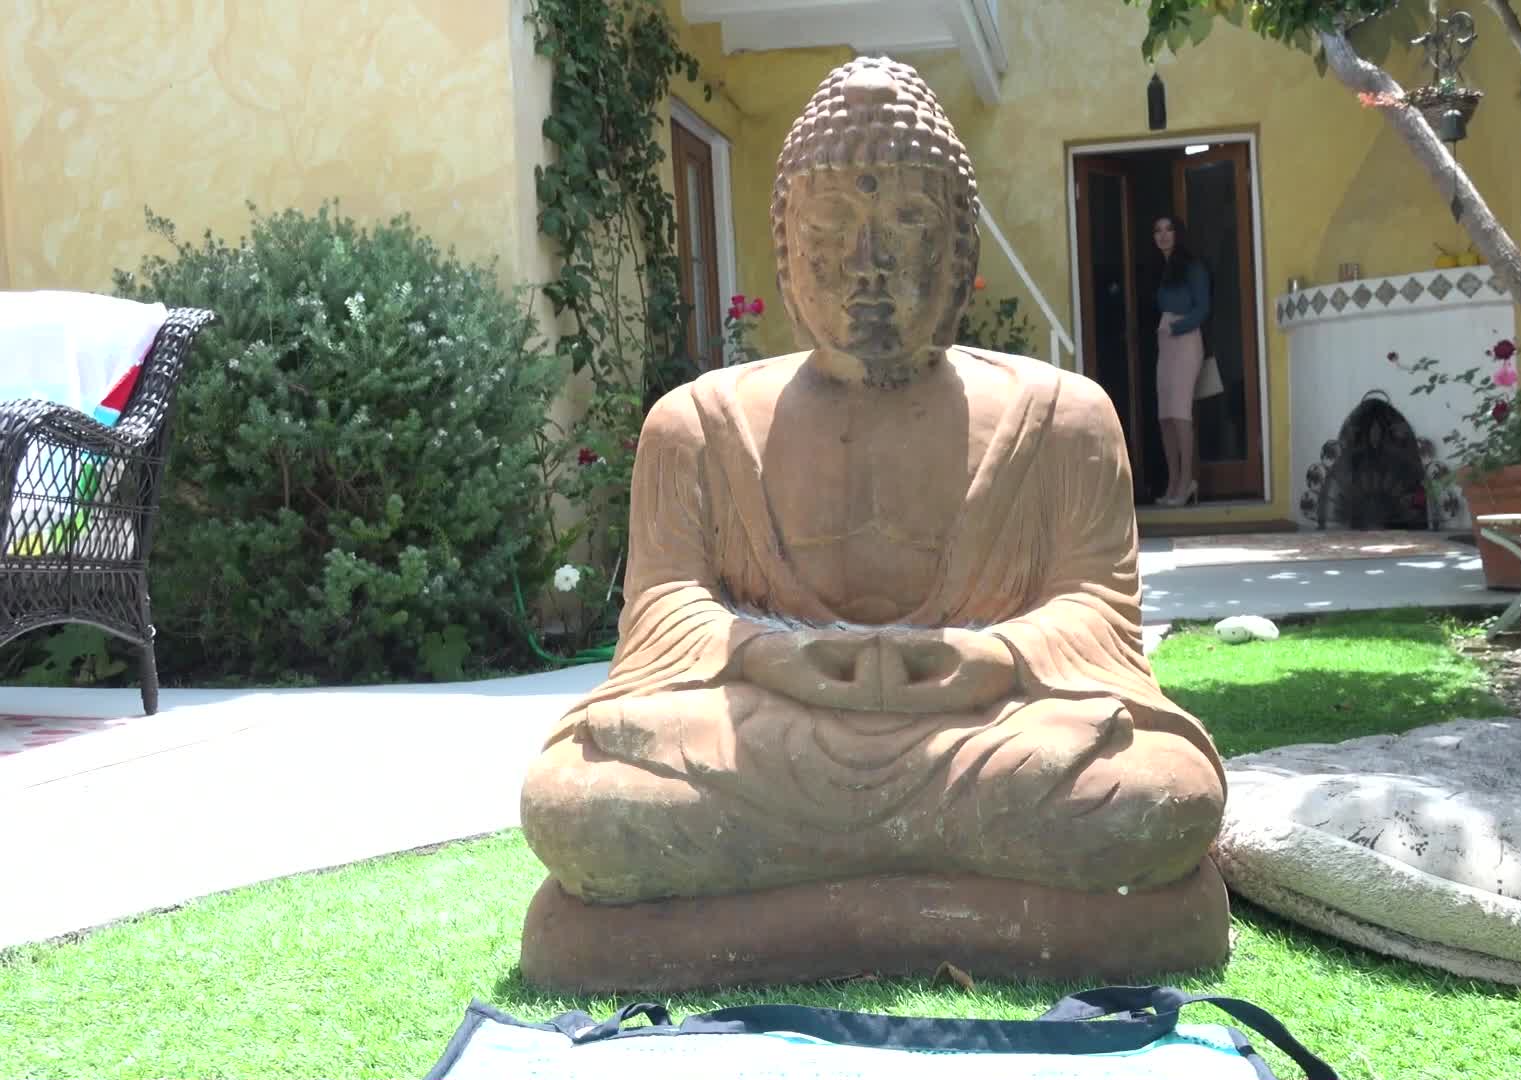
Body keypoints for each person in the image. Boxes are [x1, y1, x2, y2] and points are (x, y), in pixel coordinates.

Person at [517, 58, 1226, 968]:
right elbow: (665, 609)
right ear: (784, 246)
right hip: (776, 726)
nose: (867, 261)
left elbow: (1097, 611)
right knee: (578, 802)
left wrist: (993, 658)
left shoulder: (1063, 418)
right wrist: (772, 657)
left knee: (1157, 794)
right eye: (829, 225)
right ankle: (992, 914)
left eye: (908, 221)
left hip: (984, 727)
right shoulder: (696, 424)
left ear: (961, 248)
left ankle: (752, 925)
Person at [1151, 215, 1209, 506]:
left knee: (1180, 412)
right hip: (1166, 345)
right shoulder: (1163, 270)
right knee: (1165, 415)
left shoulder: (1192, 266)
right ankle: (1173, 482)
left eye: (1169, 229)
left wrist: (1175, 327)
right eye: (1158, 231)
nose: (1163, 235)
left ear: (1178, 234)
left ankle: (1187, 482)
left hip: (1186, 342)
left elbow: (1203, 309)